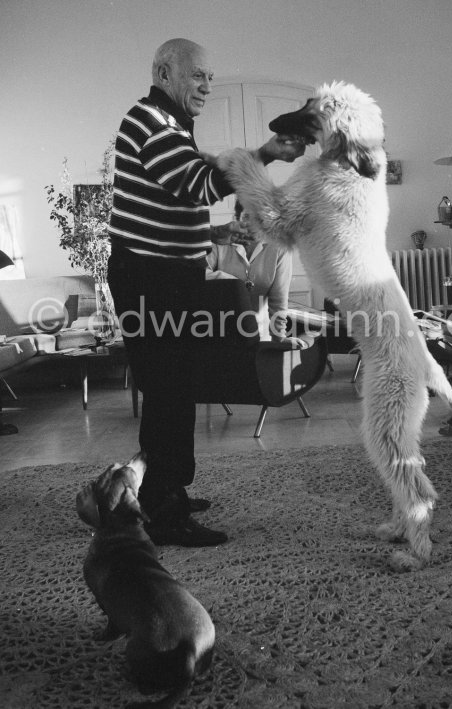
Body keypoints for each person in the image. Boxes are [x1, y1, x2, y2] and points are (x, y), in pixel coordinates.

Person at [107, 38, 305, 547]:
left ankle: (168, 486)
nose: (206, 86)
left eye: (210, 78)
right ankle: (163, 510)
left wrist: (211, 236)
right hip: (150, 280)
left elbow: (170, 205)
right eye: (197, 75)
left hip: (167, 274)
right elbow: (196, 184)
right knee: (169, 388)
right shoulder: (150, 120)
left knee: (177, 384)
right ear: (164, 72)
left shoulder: (171, 126)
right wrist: (264, 154)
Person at [206, 203, 305, 345]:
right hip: (218, 328)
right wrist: (231, 282)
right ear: (237, 218)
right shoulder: (220, 241)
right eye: (246, 217)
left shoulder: (280, 248)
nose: (252, 224)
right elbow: (201, 274)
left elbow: (278, 299)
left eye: (259, 218)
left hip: (258, 332)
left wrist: (280, 338)